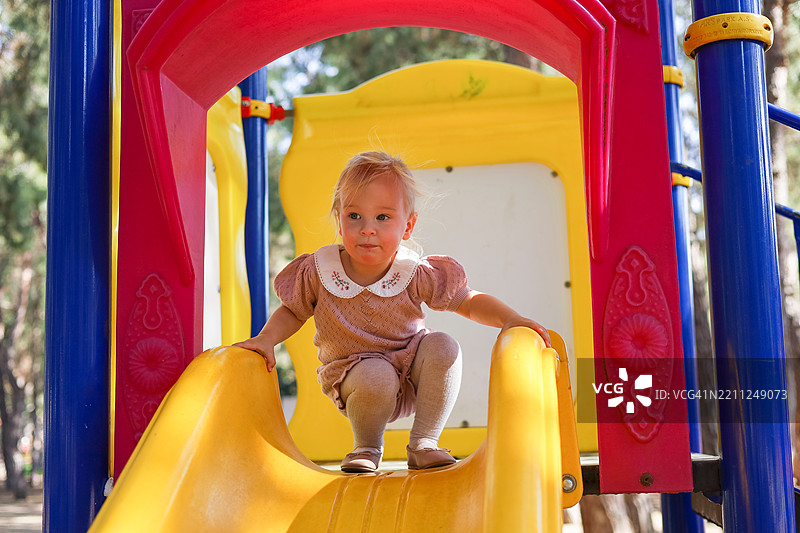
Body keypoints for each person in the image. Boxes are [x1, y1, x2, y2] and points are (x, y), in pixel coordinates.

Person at [234, 151, 550, 473]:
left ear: (408, 226)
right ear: (339, 220)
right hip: (356, 380)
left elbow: (466, 300)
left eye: (383, 218)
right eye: (354, 216)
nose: (367, 229)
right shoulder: (321, 271)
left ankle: (424, 443)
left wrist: (510, 319)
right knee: (376, 374)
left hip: (410, 373)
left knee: (443, 345)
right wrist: (266, 339)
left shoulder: (413, 272)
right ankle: (366, 447)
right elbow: (293, 311)